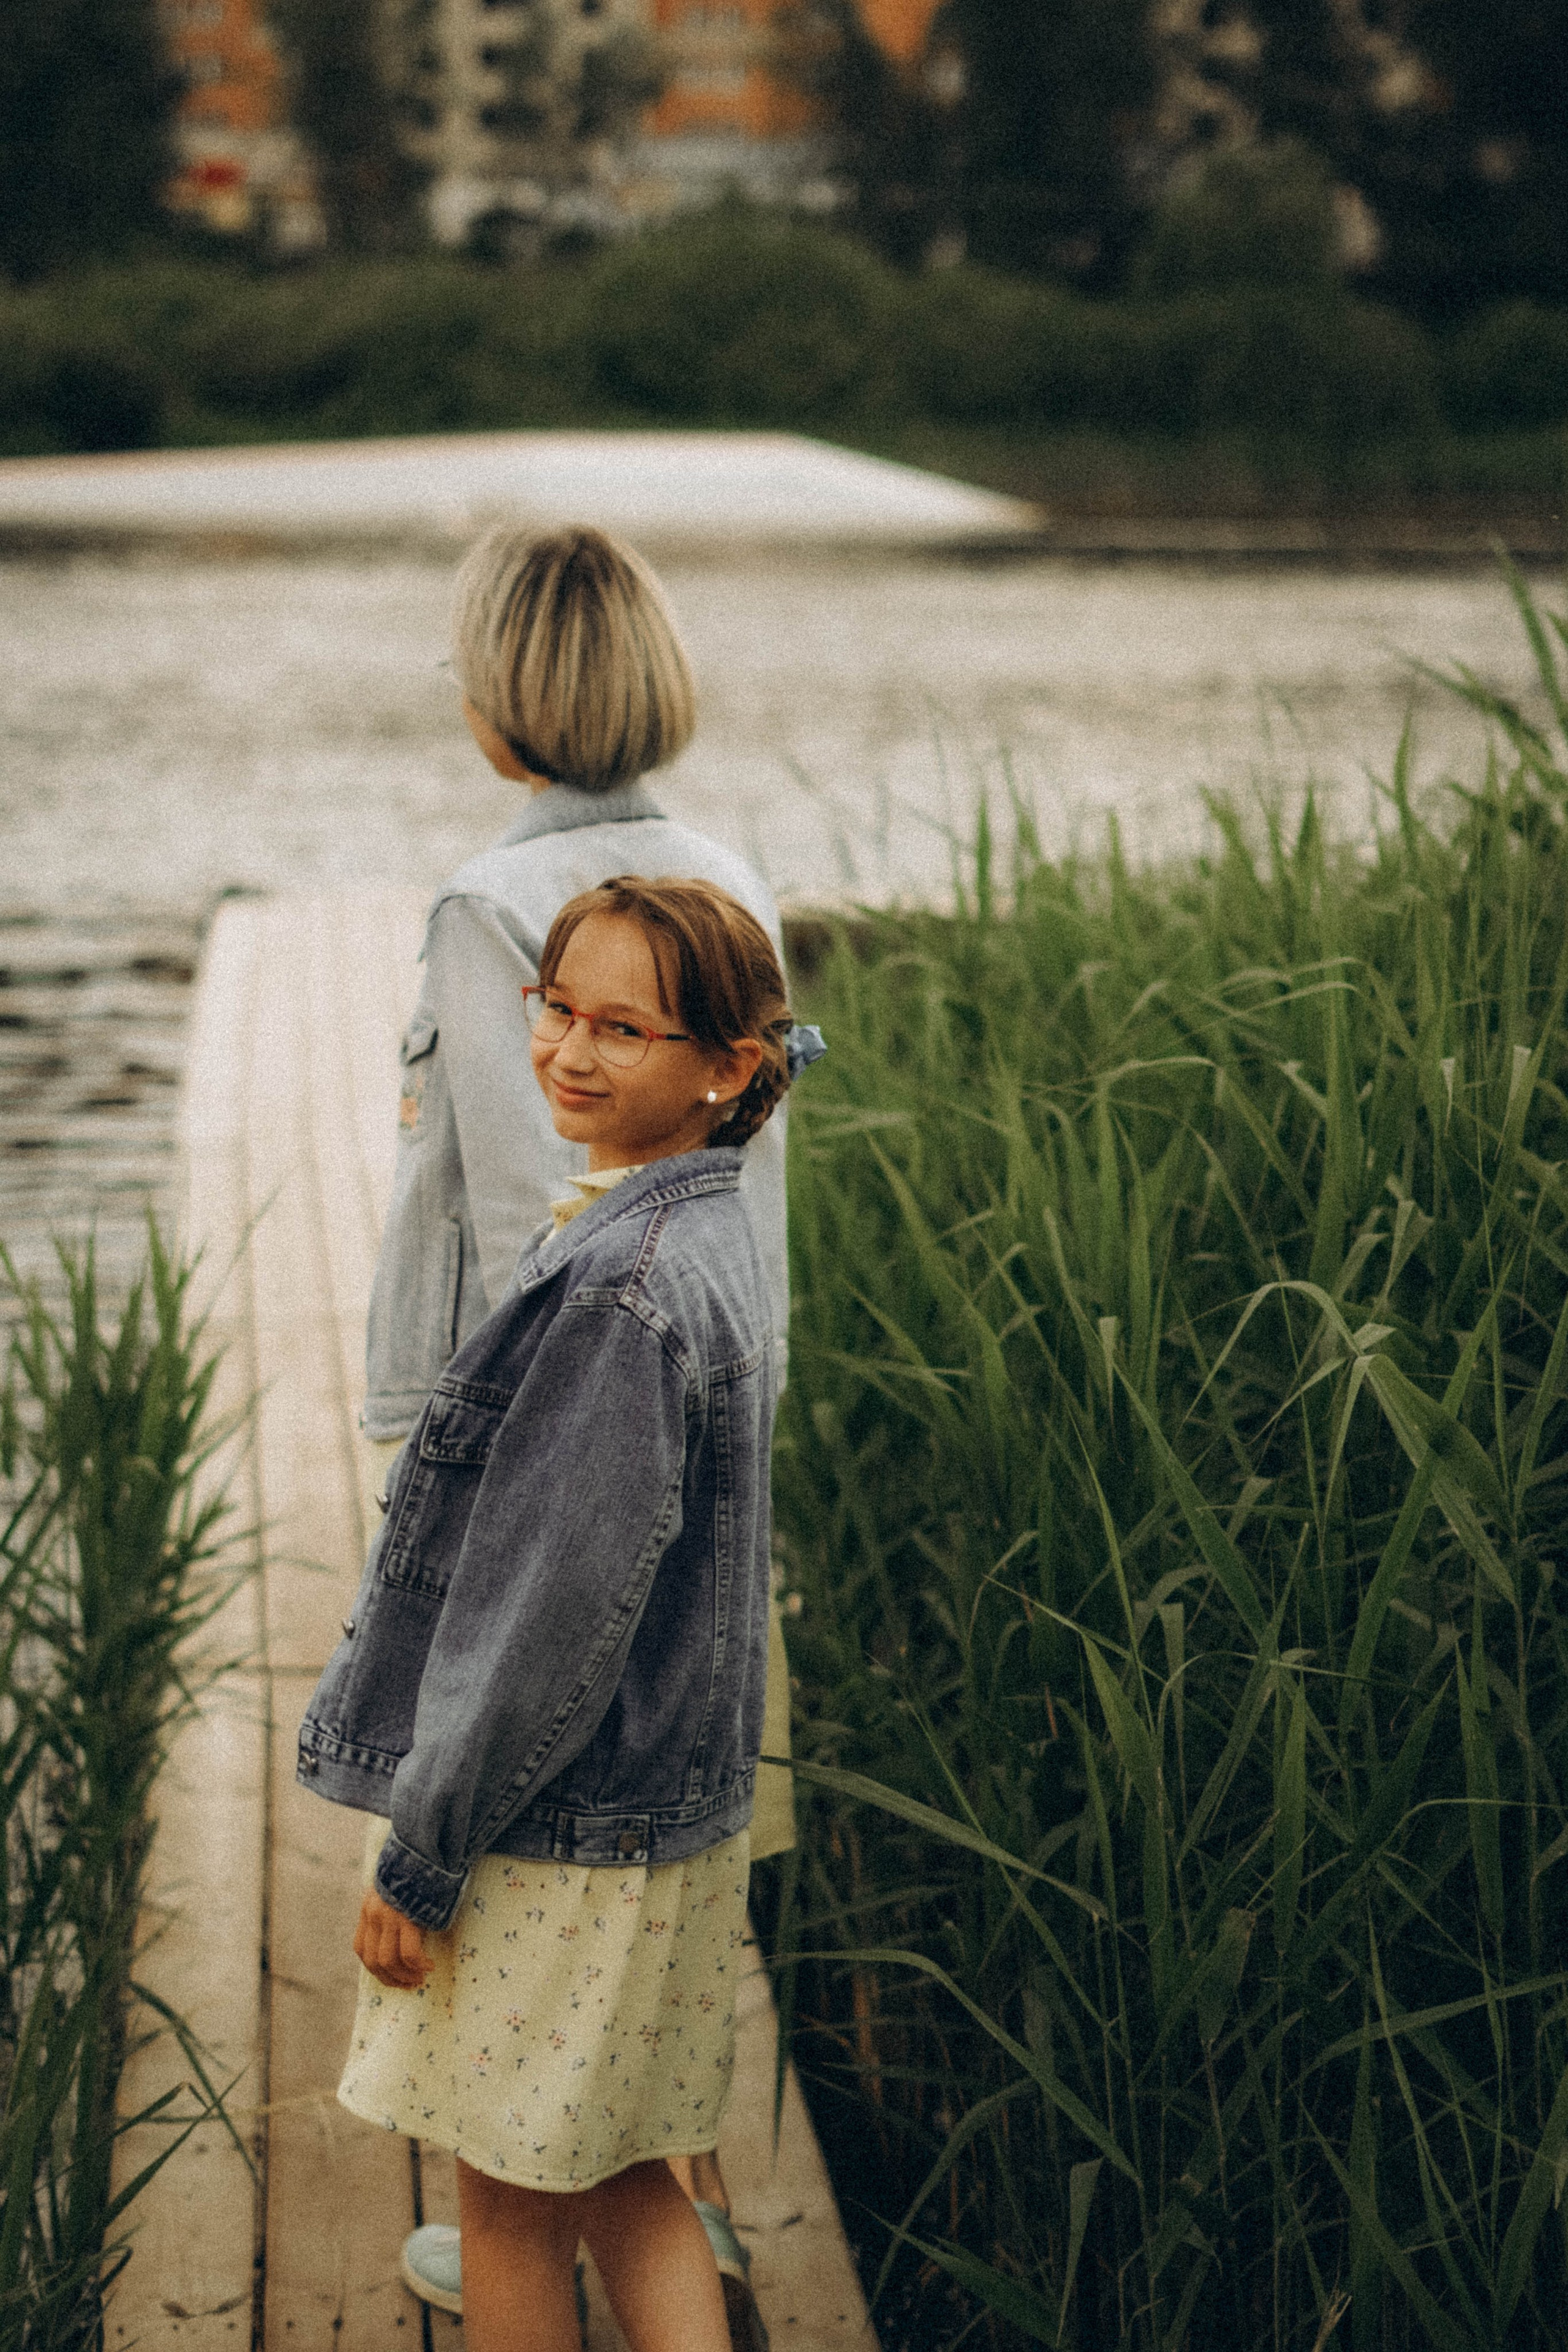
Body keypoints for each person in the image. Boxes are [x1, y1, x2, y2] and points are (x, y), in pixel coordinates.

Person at [360, 524, 796, 2340]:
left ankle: (532, 2195)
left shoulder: (493, 907)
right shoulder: (724, 872)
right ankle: (671, 2193)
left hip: (548, 1458)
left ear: (498, 702)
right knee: (654, 1906)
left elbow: (541, 1203)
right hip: (712, 1437)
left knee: (530, 1923)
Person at [300, 877, 820, 2352]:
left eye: (623, 1029)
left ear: (725, 1065)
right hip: (657, 1815)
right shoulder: (701, 1231)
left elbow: (547, 1616)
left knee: (508, 2199)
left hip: (554, 1827)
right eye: (556, 1009)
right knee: (623, 2175)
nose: (567, 1054)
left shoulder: (620, 1290)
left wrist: (426, 1848)